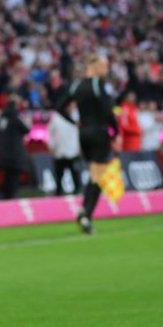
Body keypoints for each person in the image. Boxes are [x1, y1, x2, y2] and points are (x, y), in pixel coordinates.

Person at [56, 54, 119, 234]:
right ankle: (85, 213)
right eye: (104, 66)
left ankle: (86, 214)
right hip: (99, 132)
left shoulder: (76, 85)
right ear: (94, 66)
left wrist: (74, 122)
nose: (106, 69)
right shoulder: (97, 85)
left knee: (94, 173)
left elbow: (60, 106)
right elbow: (108, 110)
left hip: (83, 133)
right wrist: (115, 132)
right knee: (98, 175)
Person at [47, 100, 81, 195]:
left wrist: (79, 147)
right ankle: (58, 192)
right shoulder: (56, 118)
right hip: (60, 151)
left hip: (73, 151)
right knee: (59, 175)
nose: (73, 108)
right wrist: (51, 145)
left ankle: (77, 191)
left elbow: (77, 134)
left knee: (75, 173)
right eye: (71, 106)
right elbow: (51, 133)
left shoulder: (75, 117)